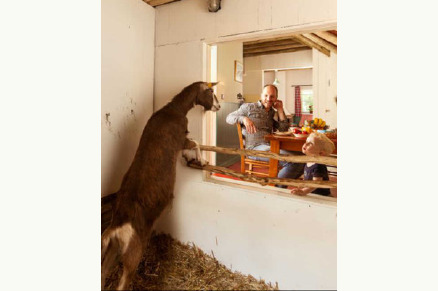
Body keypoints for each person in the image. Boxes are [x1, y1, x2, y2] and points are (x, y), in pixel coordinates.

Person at [226, 84, 305, 184]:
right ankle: (277, 186)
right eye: (266, 95)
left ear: (276, 98)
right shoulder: (248, 107)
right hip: (253, 149)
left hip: (270, 146)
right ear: (261, 95)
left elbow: (283, 129)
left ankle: (282, 183)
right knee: (292, 161)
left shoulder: (272, 112)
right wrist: (244, 119)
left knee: (303, 156)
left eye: (272, 96)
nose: (268, 99)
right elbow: (229, 117)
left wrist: (280, 109)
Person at [290, 132, 335, 196]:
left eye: (310, 143)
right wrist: (301, 187)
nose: (305, 144)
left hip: (321, 196)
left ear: (321, 153)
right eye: (306, 141)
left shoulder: (319, 165)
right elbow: (307, 177)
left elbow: (316, 183)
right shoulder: (309, 161)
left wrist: (303, 191)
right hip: (311, 193)